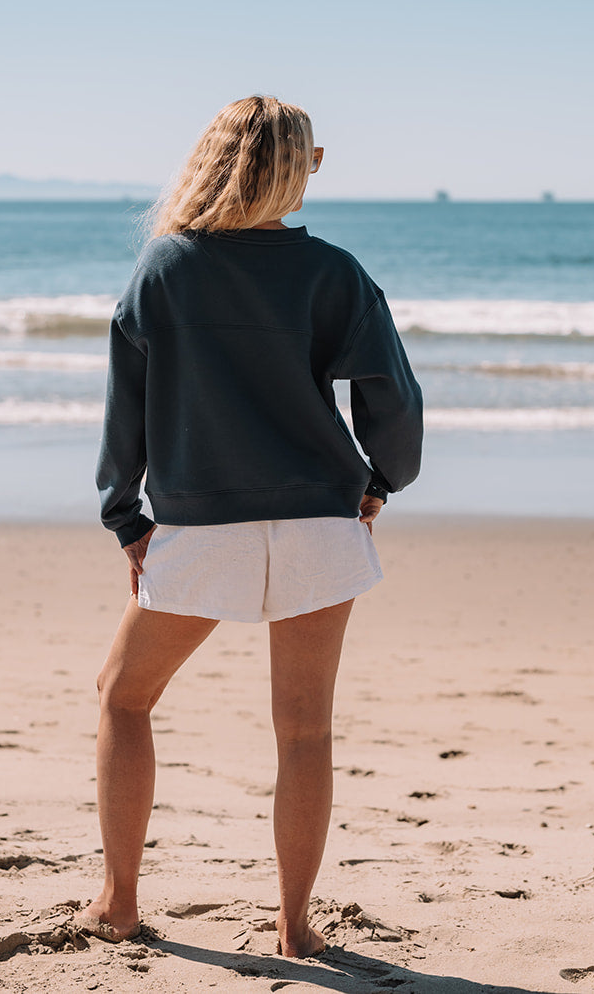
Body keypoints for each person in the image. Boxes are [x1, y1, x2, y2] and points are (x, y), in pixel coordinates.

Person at [79, 95, 423, 958]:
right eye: (313, 155)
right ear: (291, 168)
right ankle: (296, 926)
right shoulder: (334, 272)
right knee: (304, 728)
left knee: (125, 696)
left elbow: (129, 409)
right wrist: (382, 481)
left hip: (204, 525)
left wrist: (127, 516)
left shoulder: (166, 269)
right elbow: (392, 395)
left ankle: (119, 902)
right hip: (320, 520)